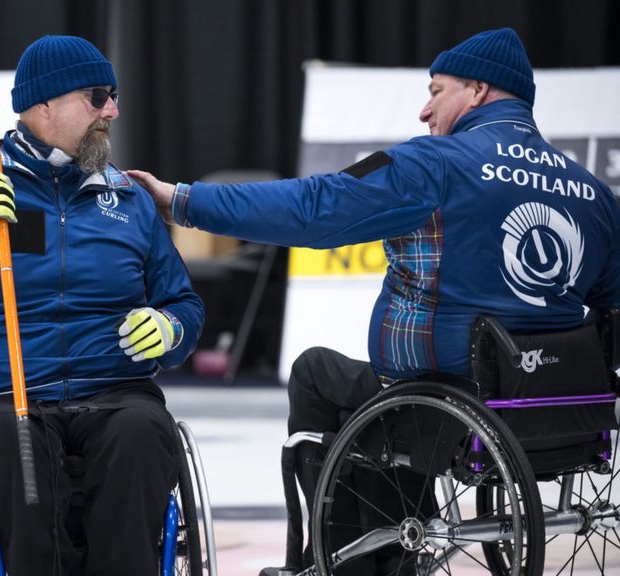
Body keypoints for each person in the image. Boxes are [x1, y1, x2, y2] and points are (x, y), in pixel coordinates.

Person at [129, 27, 620, 573]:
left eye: (436, 91)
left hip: (450, 408)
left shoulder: (434, 164)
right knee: (388, 395)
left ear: (478, 90)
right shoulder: (594, 193)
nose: (424, 111)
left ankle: (332, 562)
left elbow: (314, 206)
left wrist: (185, 202)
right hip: (564, 413)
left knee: (320, 375)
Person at [0, 35, 204, 576]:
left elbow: (184, 304)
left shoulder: (128, 198)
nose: (114, 110)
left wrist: (170, 326)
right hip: (2, 394)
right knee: (16, 451)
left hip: (115, 388)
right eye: (98, 97)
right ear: (44, 105)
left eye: (114, 96)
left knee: (143, 435)